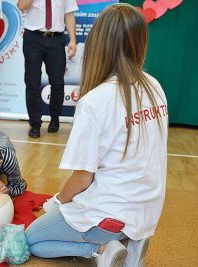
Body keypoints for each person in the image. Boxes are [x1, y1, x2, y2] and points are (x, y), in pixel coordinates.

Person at [25, 4, 168, 267]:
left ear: (99, 44)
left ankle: (102, 249)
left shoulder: (96, 101)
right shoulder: (154, 86)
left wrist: (57, 202)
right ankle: (129, 243)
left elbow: (82, 178)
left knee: (32, 240)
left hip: (109, 216)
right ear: (139, 43)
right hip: (146, 212)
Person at [17, 0, 77, 138]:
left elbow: (69, 14)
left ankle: (55, 118)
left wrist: (73, 40)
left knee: (58, 82)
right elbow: (21, 6)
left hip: (56, 39)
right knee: (32, 82)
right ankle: (35, 124)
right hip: (33, 38)